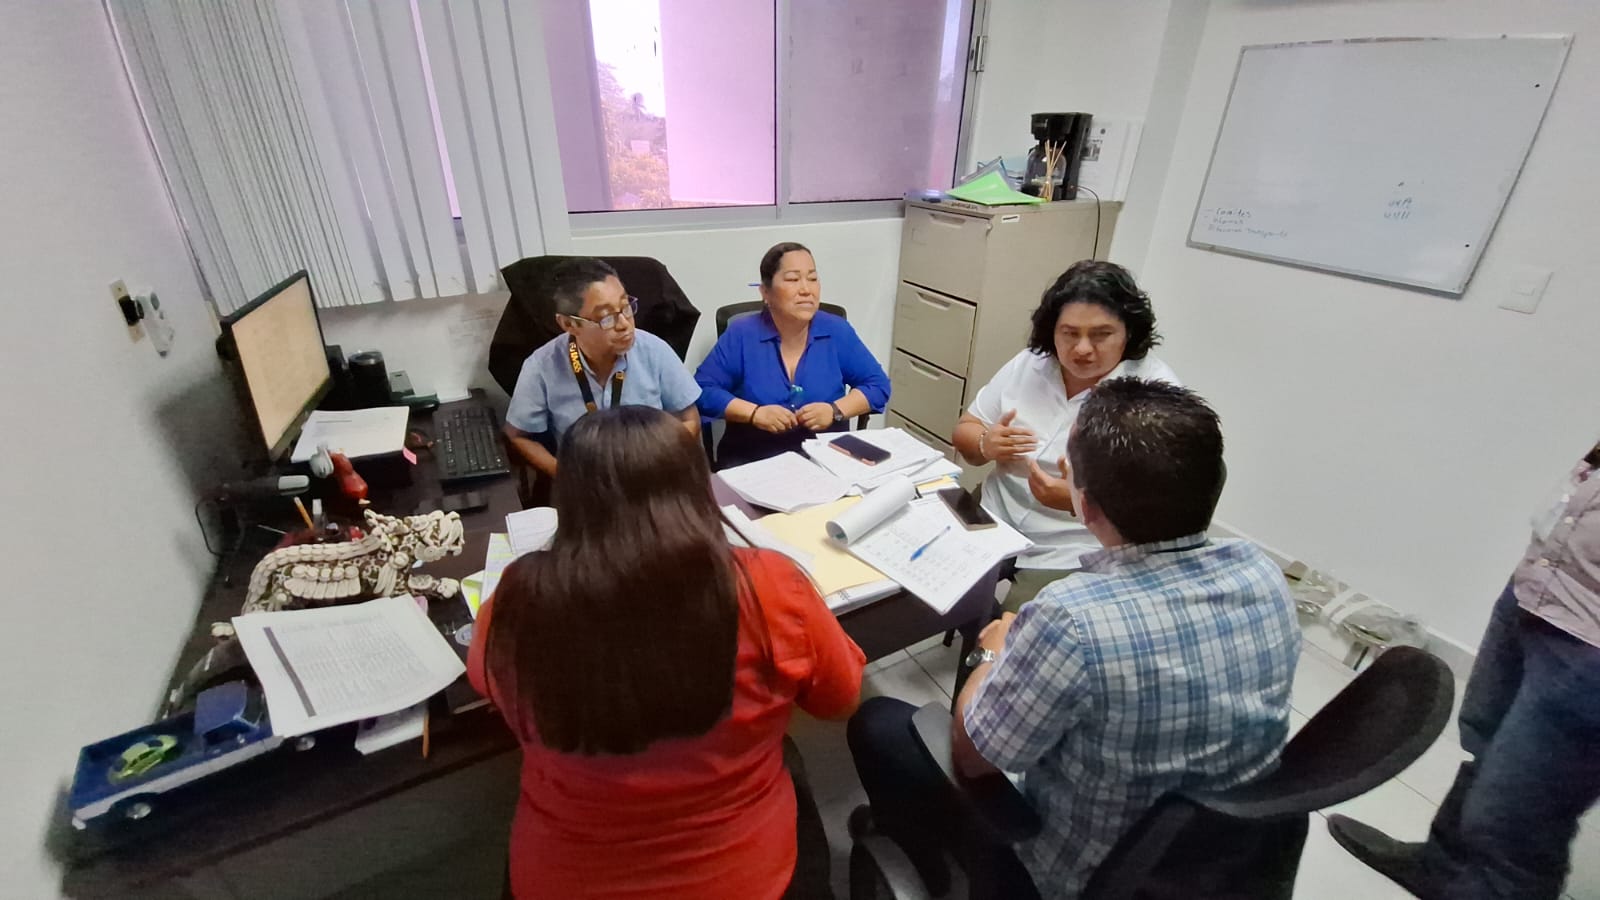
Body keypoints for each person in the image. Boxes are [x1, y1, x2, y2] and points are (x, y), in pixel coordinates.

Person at [850, 378, 1300, 899]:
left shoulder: (1071, 618)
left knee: (878, 722)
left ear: (1084, 506)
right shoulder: (1262, 573)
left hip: (1077, 873)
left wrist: (991, 650)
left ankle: (925, 857)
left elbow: (974, 756)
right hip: (1218, 857)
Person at [468, 405, 866, 900]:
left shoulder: (516, 599)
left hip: (563, 878)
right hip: (743, 877)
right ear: (695, 487)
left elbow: (489, 683)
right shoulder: (769, 585)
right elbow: (841, 700)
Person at [1328, 437, 1600, 899]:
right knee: (1483, 736)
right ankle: (1440, 867)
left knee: (1517, 814)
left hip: (1588, 647)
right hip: (1535, 593)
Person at [952, 260, 1178, 611]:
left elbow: (1159, 510)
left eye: (1101, 335)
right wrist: (985, 444)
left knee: (1023, 630)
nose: (1082, 349)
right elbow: (965, 430)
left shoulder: (1154, 393)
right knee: (924, 578)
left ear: (1129, 333)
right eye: (1070, 333)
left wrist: (1079, 502)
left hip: (1073, 545)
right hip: (996, 509)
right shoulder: (1030, 363)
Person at [502, 257, 701, 480]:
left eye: (626, 307)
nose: (624, 324)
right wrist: (565, 476)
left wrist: (660, 463)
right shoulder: (541, 367)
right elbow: (518, 435)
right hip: (584, 482)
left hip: (652, 475)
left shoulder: (654, 350)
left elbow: (689, 419)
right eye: (606, 318)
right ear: (569, 324)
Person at [695, 242, 891, 468]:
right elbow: (702, 391)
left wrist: (835, 411)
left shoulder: (836, 331)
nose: (806, 289)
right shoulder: (742, 334)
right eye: (793, 279)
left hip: (824, 460)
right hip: (753, 461)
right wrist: (754, 414)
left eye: (812, 278)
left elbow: (878, 385)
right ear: (765, 292)